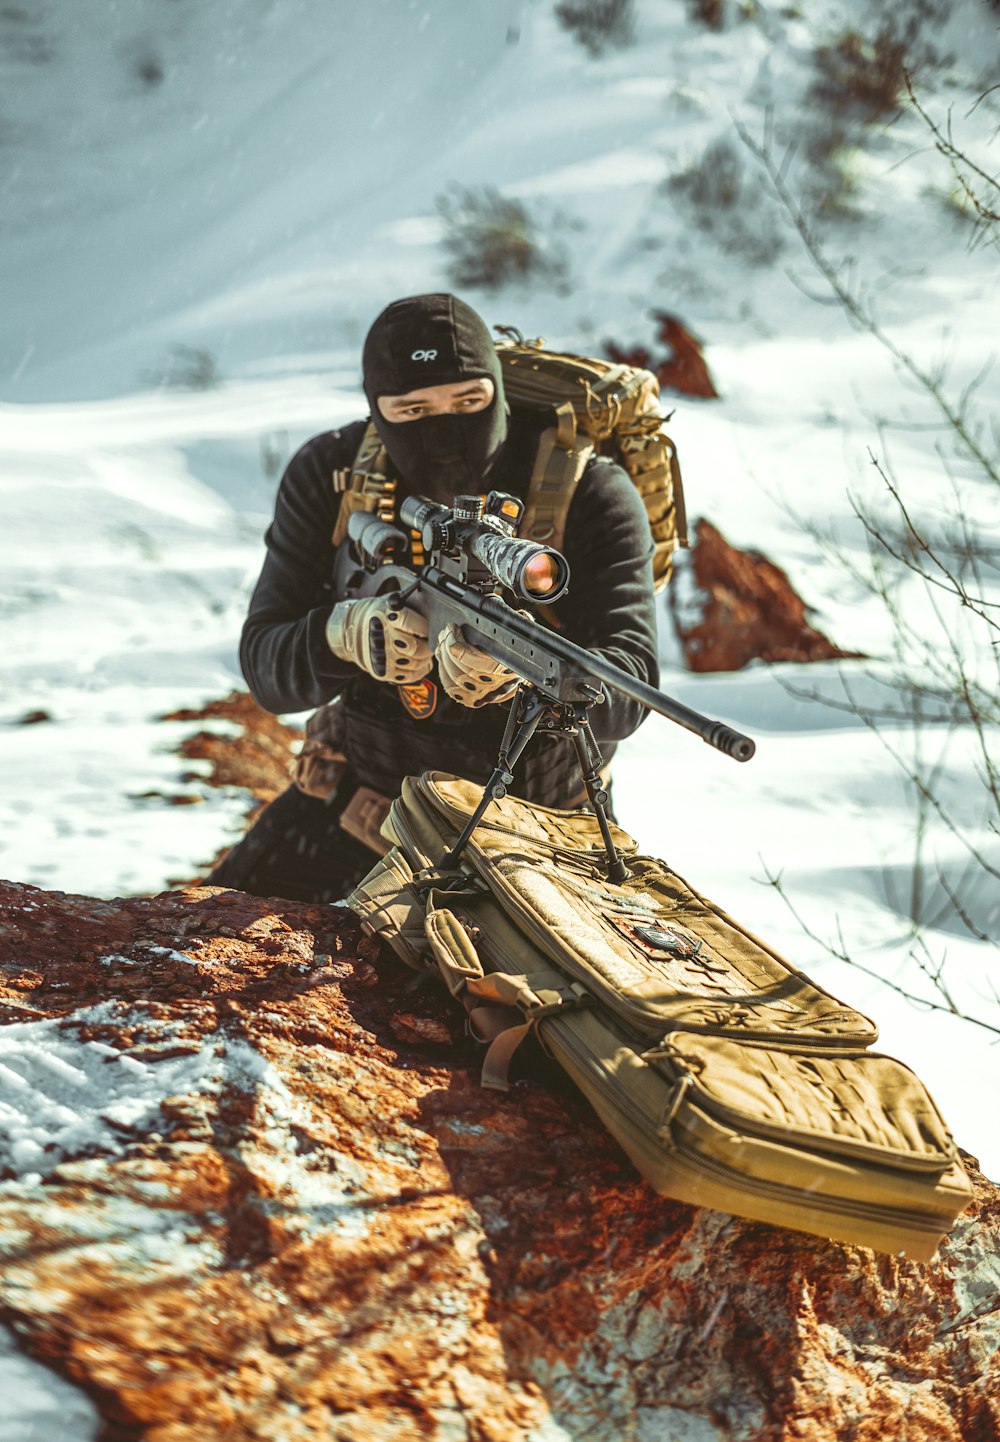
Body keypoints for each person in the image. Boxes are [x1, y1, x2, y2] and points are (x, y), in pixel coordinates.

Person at [208, 293, 659, 902]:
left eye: (469, 401)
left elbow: (632, 686)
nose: (445, 432)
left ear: (497, 390)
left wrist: (529, 679)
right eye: (412, 409)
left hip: (538, 835)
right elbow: (268, 668)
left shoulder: (590, 490)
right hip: (361, 811)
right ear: (377, 412)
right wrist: (341, 636)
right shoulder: (333, 473)